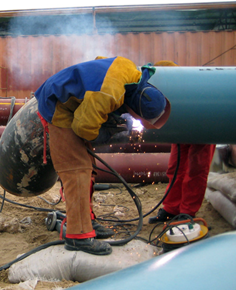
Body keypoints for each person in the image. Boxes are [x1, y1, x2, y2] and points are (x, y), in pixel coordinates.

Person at [34, 56, 171, 255]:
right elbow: (83, 127)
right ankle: (78, 236)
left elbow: (99, 64)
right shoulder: (110, 94)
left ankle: (87, 220)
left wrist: (106, 117)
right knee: (77, 170)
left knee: (88, 167)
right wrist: (105, 133)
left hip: (76, 104)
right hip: (58, 103)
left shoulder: (130, 72)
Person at [148, 60, 216, 224]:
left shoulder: (192, 88)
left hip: (204, 127)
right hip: (182, 130)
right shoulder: (164, 89)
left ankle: (187, 212)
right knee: (175, 168)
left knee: (195, 170)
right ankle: (171, 209)